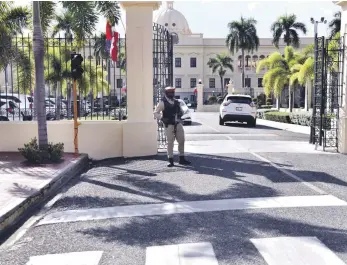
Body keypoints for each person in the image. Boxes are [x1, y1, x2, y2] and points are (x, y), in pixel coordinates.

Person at [153, 86, 191, 167]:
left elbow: (181, 111)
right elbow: (155, 113)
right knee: (170, 142)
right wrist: (162, 118)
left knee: (181, 140)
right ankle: (170, 160)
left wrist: (182, 114)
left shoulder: (177, 101)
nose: (172, 93)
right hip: (168, 125)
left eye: (173, 92)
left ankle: (182, 158)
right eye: (170, 92)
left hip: (178, 123)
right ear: (166, 93)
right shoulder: (162, 102)